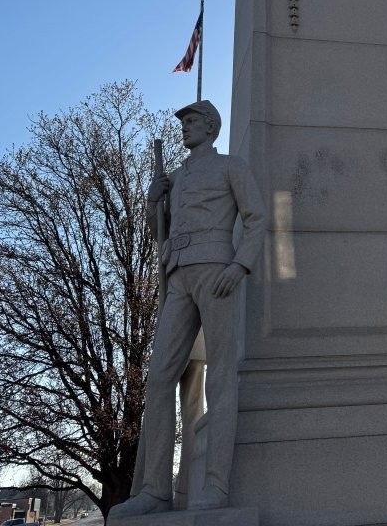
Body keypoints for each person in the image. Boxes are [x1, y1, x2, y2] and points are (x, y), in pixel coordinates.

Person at [110, 100, 266, 516]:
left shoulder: (231, 166)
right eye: (183, 122)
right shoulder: (174, 177)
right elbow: (162, 236)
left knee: (220, 377)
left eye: (192, 121)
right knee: (159, 378)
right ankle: (155, 490)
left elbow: (256, 218)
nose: (185, 128)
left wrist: (240, 264)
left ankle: (215, 486)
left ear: (211, 126)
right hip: (177, 276)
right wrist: (150, 205)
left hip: (217, 272)